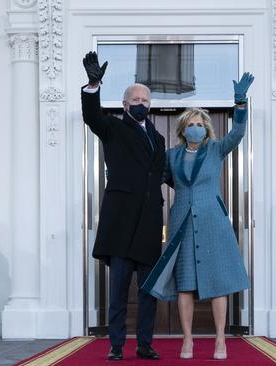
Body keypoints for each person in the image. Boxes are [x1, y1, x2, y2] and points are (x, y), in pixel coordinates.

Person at [141, 73, 254, 360]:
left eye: (199, 125)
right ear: (182, 130)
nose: (195, 129)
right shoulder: (172, 155)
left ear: (206, 129)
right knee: (185, 284)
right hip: (181, 223)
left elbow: (238, 133)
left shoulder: (216, 149)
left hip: (213, 222)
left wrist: (240, 103)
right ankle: (187, 340)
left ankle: (220, 340)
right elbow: (163, 178)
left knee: (218, 283)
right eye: (190, 125)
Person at [81, 51, 166, 361]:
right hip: (120, 227)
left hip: (148, 226)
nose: (141, 102)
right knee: (117, 294)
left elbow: (162, 173)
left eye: (146, 99)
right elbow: (92, 116)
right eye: (136, 99)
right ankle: (116, 346)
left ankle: (144, 344)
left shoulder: (157, 138)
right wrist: (93, 85)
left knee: (148, 293)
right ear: (126, 104)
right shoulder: (114, 128)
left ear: (150, 104)